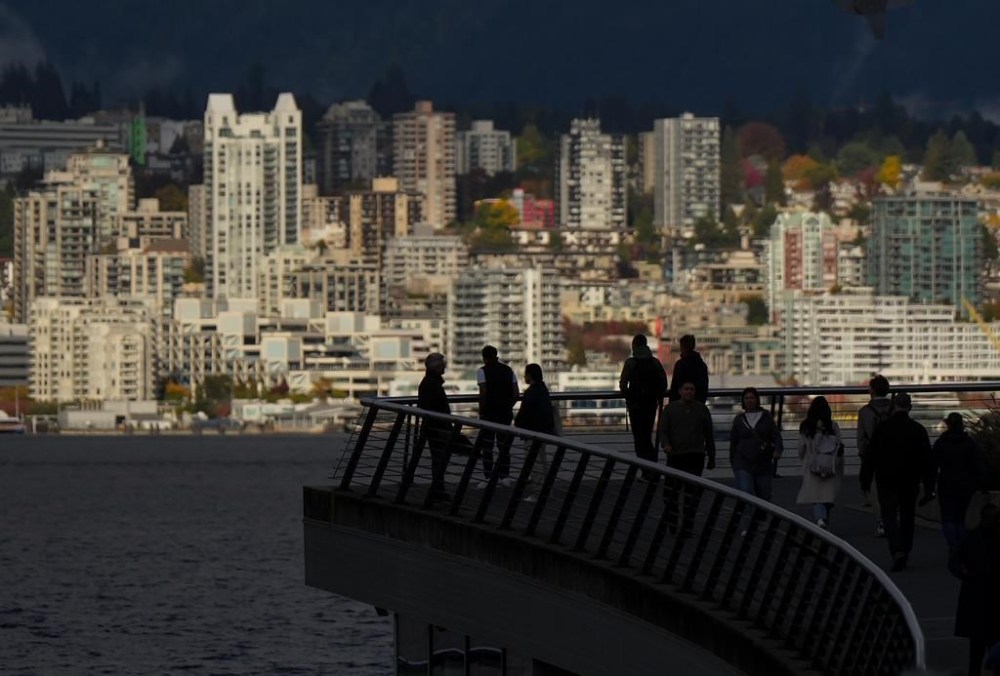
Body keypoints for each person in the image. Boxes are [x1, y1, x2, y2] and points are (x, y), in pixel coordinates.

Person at [862, 392, 935, 572]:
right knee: (907, 515)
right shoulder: (918, 430)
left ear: (893, 406)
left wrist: (865, 478)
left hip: (886, 478)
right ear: (910, 407)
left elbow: (870, 456)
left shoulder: (882, 428)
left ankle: (896, 550)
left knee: (888, 515)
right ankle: (905, 549)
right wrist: (929, 486)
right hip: (910, 479)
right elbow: (927, 461)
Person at [950, 504, 1000, 676]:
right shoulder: (973, 538)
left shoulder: (971, 538)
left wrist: (967, 575)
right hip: (984, 596)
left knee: (979, 648)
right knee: (982, 648)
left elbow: (954, 563)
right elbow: (954, 563)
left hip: (980, 597)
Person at [661, 380, 716, 536]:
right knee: (670, 494)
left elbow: (709, 435)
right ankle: (673, 523)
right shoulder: (670, 409)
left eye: (692, 389)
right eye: (686, 389)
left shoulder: (702, 410)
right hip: (675, 456)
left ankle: (687, 527)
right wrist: (665, 445)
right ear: (680, 391)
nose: (689, 392)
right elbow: (663, 431)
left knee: (691, 496)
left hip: (695, 456)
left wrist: (712, 457)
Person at [933, 412, 984, 551]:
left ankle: (954, 544)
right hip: (965, 484)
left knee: (948, 517)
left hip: (946, 483)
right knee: (960, 517)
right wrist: (980, 484)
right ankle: (961, 545)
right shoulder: (969, 443)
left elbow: (933, 464)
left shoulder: (941, 442)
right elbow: (977, 464)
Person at [619, 334, 668, 478]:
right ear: (646, 345)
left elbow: (623, 384)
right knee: (647, 437)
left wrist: (630, 396)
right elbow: (663, 384)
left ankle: (647, 471)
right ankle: (653, 469)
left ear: (634, 346)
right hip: (651, 405)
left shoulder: (630, 363)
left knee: (639, 439)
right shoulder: (655, 362)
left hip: (635, 406)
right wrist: (655, 397)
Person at [795, 396, 844, 530]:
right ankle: (823, 518)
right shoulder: (833, 426)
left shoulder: (806, 426)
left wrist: (804, 459)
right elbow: (839, 445)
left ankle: (820, 519)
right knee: (826, 495)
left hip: (812, 464)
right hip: (830, 465)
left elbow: (801, 448)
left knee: (816, 495)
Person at [729, 387, 783, 503]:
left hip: (763, 462)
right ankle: (747, 518)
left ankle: (759, 518)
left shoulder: (766, 417)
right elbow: (733, 442)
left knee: (764, 494)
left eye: (752, 398)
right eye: (746, 398)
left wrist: (777, 450)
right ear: (743, 401)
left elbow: (775, 435)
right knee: (745, 493)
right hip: (743, 461)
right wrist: (733, 462)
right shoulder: (739, 419)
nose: (749, 400)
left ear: (757, 400)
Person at [476, 345, 519, 488]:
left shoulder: (482, 371)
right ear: (496, 355)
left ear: (484, 358)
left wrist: (481, 411)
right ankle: (505, 477)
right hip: (505, 413)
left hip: (488, 414)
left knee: (487, 446)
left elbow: (483, 392)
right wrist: (508, 406)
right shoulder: (508, 370)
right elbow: (515, 393)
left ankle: (488, 477)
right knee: (504, 446)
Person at [514, 363, 557, 502]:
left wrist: (518, 424)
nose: (524, 377)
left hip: (531, 433)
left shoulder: (531, 393)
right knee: (542, 462)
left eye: (526, 374)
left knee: (535, 464)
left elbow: (523, 414)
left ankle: (538, 494)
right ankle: (546, 492)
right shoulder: (543, 390)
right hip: (542, 431)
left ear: (530, 376)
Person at [858, 375, 893, 538]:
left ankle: (881, 522)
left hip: (874, 456)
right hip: (894, 455)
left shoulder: (865, 412)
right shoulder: (895, 409)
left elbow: (861, 438)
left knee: (875, 490)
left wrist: (864, 455)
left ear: (872, 390)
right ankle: (891, 519)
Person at [417, 352, 453, 502]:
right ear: (437, 367)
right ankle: (438, 489)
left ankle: (438, 488)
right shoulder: (432, 384)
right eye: (442, 364)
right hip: (438, 427)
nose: (444, 366)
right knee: (440, 458)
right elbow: (436, 407)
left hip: (434, 427)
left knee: (439, 458)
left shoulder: (428, 382)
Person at [666, 334, 709, 403]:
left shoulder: (680, 364)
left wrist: (672, 406)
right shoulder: (702, 365)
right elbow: (704, 387)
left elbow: (675, 387)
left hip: (681, 406)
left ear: (683, 347)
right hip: (697, 405)